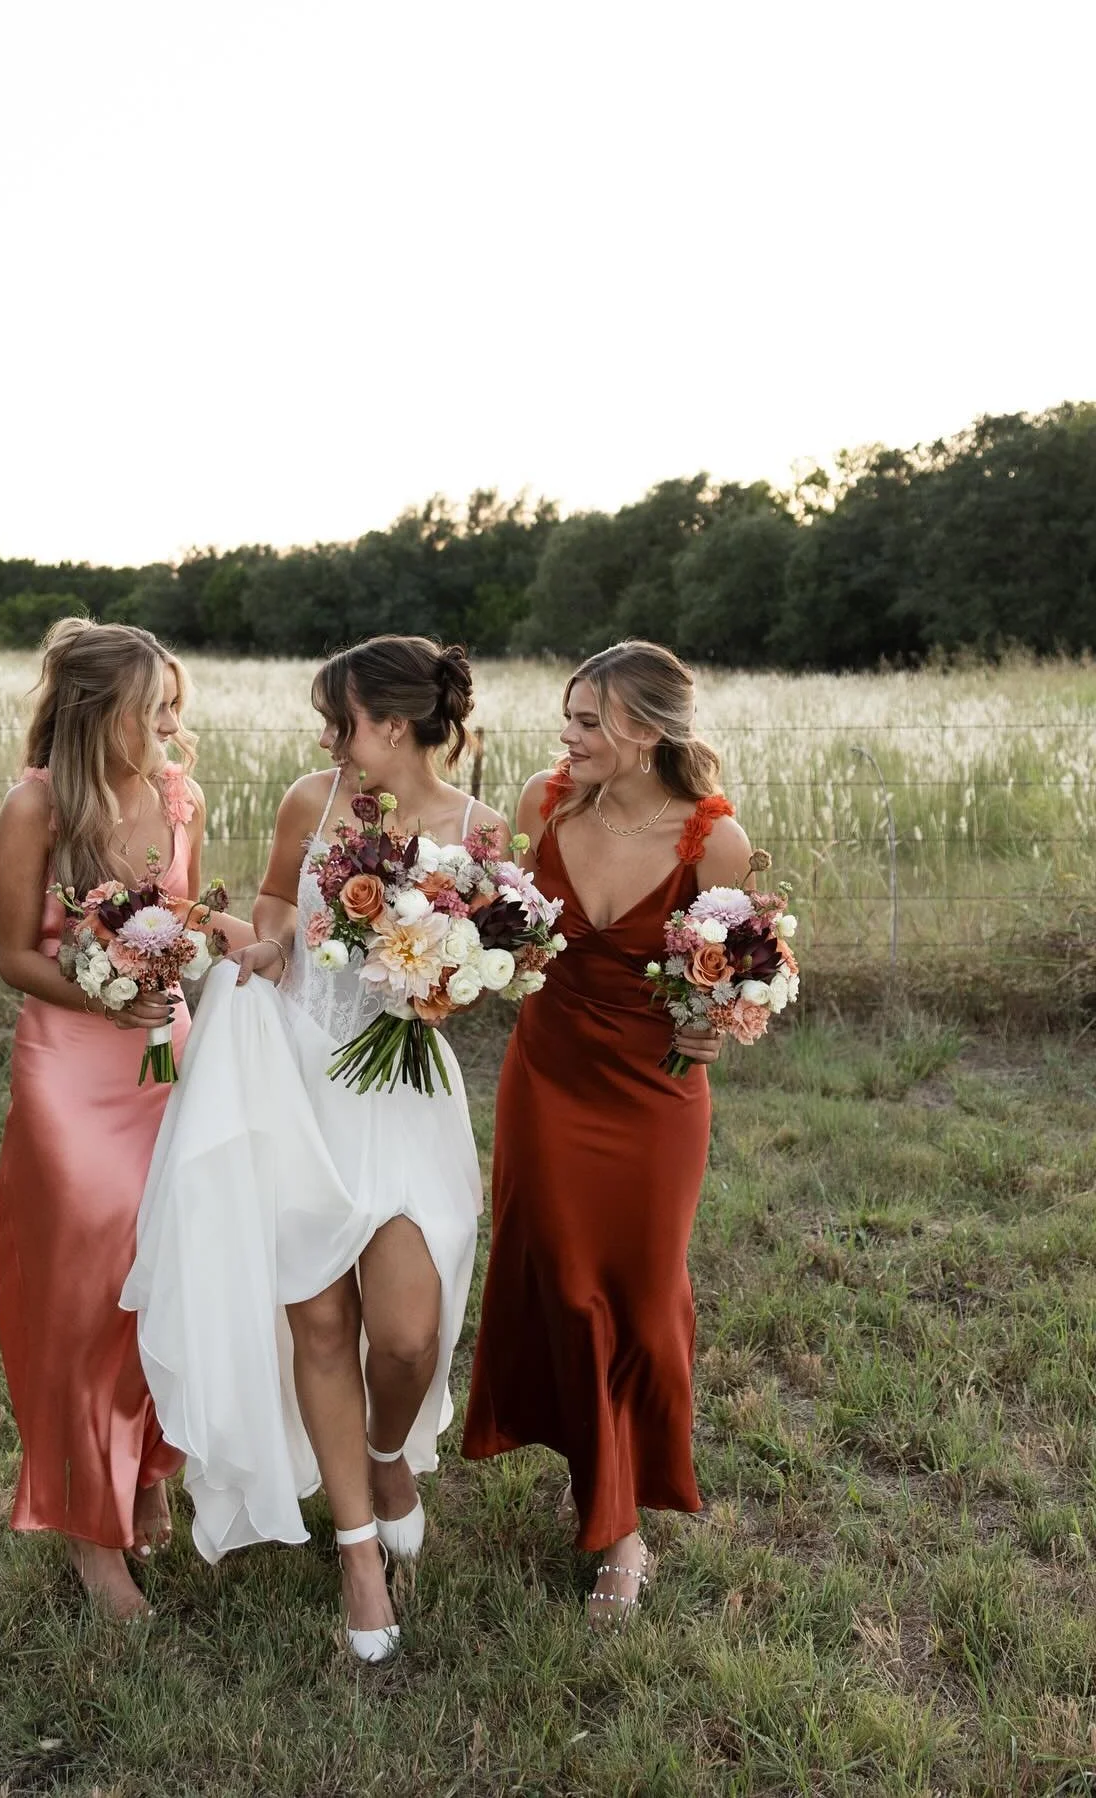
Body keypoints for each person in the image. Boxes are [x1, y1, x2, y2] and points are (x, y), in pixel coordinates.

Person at [124, 636, 506, 1663]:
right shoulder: (311, 798)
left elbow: (483, 969)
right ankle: (355, 1551)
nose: (329, 738)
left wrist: (441, 978)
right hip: (296, 1080)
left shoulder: (479, 832)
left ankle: (387, 1453)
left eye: (342, 720)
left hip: (402, 1091)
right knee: (323, 1322)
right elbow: (276, 906)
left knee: (409, 1334)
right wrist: (267, 942)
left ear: (395, 724)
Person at [462, 639, 753, 1627]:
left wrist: (714, 1023)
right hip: (547, 1078)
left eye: (589, 721)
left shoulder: (714, 840)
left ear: (648, 730)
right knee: (562, 1280)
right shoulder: (545, 805)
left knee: (639, 1290)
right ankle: (608, 1506)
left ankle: (623, 1511)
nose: (568, 735)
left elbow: (741, 976)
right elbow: (501, 930)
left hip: (653, 1095)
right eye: (569, 716)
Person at [0, 617, 244, 1620]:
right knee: (88, 1283)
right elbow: (16, 955)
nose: (174, 726)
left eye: (176, 705)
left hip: (163, 1057)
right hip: (69, 1066)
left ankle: (144, 1468)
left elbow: (183, 919)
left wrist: (244, 939)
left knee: (165, 1270)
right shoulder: (36, 807)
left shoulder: (182, 796)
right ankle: (90, 1537)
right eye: (156, 709)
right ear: (101, 713)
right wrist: (104, 994)